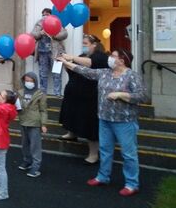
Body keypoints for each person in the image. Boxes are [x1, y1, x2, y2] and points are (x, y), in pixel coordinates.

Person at [58, 48, 147, 196]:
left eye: (113, 56)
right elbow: (86, 71)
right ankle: (103, 176)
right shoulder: (105, 72)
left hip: (124, 121)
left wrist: (121, 95)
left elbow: (142, 96)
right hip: (104, 119)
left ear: (122, 60)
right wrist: (67, 63)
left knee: (128, 154)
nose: (110, 58)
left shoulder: (131, 76)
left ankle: (132, 184)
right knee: (105, 150)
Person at [59, 34, 109, 164]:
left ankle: (93, 154)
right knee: (70, 115)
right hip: (74, 94)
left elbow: (91, 64)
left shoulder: (101, 57)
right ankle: (72, 133)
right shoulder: (81, 56)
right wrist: (65, 62)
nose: (83, 46)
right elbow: (73, 69)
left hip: (90, 97)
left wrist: (72, 58)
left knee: (90, 125)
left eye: (85, 43)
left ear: (94, 45)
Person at [31, 8, 67, 96]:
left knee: (57, 75)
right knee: (43, 75)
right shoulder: (39, 23)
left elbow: (64, 34)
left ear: (51, 15)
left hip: (55, 53)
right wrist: (40, 33)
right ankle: (43, 96)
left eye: (47, 14)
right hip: (42, 53)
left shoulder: (56, 22)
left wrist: (54, 34)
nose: (44, 16)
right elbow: (33, 34)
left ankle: (57, 95)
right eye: (43, 14)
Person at [17, 72, 47, 178]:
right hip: (23, 121)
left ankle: (36, 166)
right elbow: (16, 106)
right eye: (26, 80)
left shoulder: (40, 94)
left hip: (35, 122)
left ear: (35, 81)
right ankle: (27, 161)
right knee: (25, 144)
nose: (28, 82)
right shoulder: (20, 92)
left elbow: (43, 110)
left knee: (35, 145)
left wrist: (43, 124)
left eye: (31, 81)